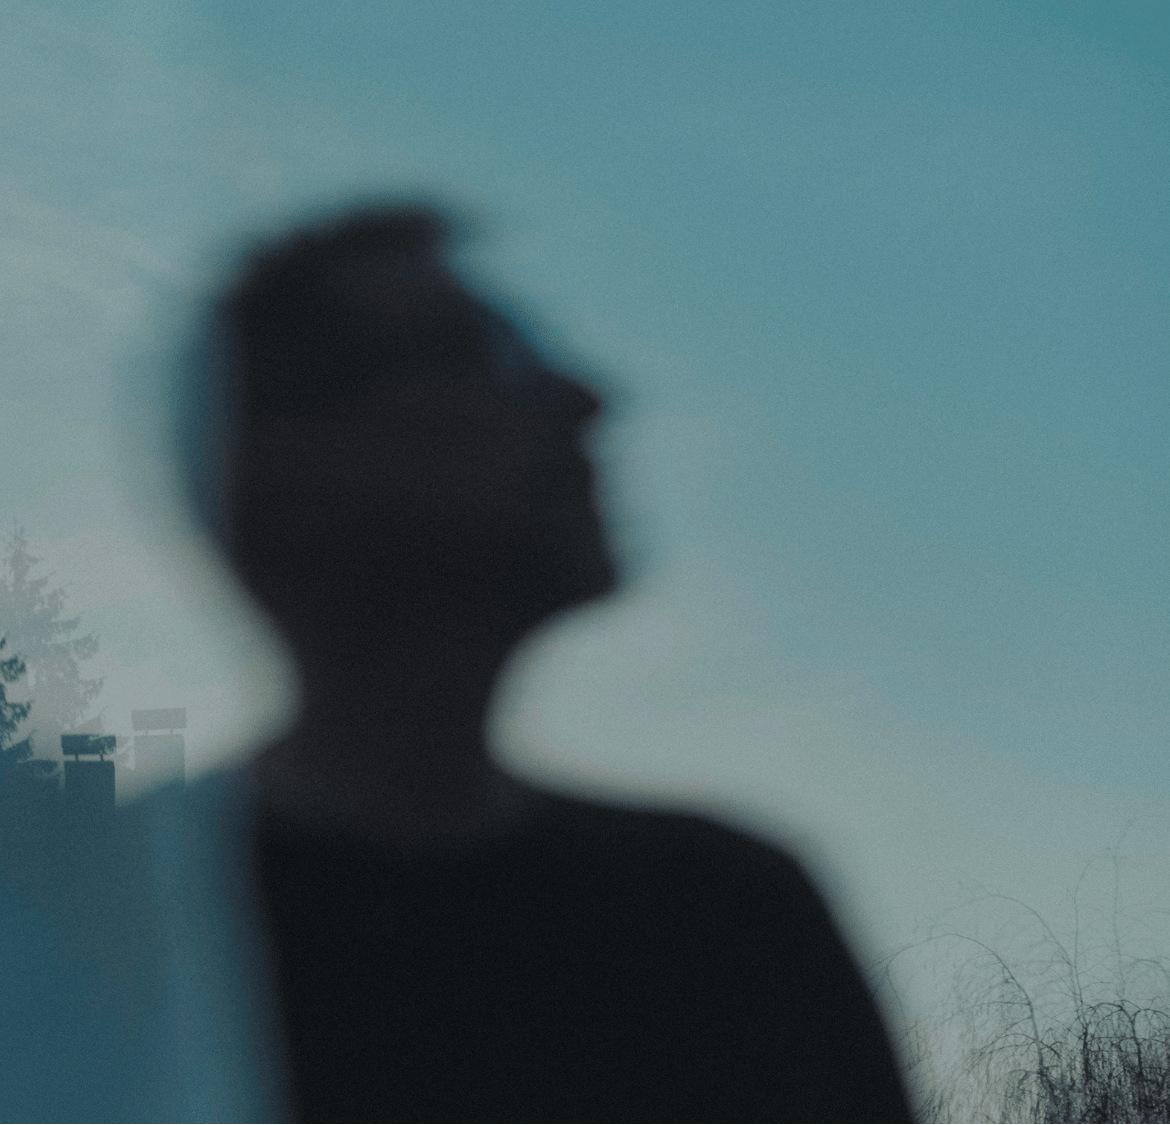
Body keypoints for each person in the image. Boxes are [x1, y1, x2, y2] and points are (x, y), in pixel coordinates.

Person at [149, 205, 914, 1122]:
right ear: (282, 475)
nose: (587, 398)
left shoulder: (726, 917)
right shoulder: (104, 937)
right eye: (488, 355)